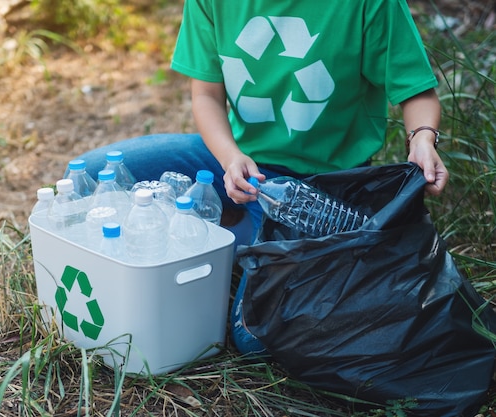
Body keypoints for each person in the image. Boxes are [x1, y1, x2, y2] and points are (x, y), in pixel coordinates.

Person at [73, 0, 449, 354]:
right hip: (241, 164)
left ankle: (241, 238)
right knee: (94, 174)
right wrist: (230, 157)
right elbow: (205, 94)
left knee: (252, 338)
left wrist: (422, 139)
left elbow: (417, 90)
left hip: (322, 188)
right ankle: (242, 235)